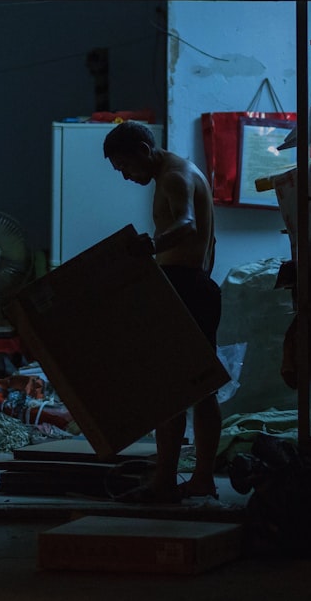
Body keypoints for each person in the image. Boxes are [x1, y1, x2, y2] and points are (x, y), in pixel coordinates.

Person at [103, 120, 222, 502]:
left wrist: (150, 248)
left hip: (185, 288)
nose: (126, 177)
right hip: (193, 285)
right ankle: (196, 479)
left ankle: (166, 481)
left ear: (143, 149)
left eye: (126, 167)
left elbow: (186, 224)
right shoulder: (180, 171)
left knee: (170, 390)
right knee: (199, 390)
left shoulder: (174, 176)